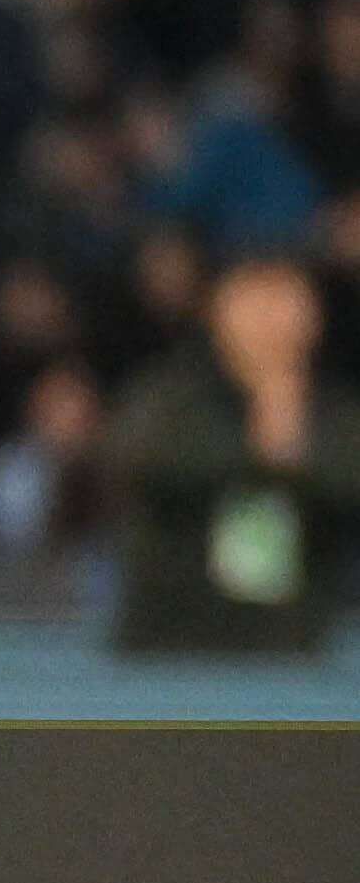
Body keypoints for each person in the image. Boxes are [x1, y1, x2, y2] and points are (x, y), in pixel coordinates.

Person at [111, 256, 360, 655]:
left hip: (292, 658)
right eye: (253, 297)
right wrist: (270, 441)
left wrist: (288, 422)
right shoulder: (166, 398)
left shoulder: (339, 414)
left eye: (283, 297)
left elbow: (346, 486)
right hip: (169, 651)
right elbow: (146, 466)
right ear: (216, 309)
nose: (269, 317)